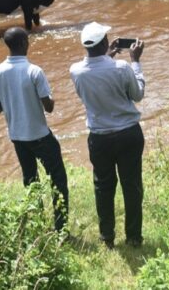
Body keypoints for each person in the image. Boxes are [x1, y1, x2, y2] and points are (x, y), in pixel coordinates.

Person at [70, 22, 146, 249]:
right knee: (131, 185)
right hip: (128, 134)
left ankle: (107, 237)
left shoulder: (76, 71)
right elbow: (138, 94)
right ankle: (133, 237)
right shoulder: (122, 67)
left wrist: (106, 56)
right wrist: (136, 63)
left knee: (103, 186)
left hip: (99, 137)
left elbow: (95, 79)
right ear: (104, 42)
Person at [0, 26, 69, 232]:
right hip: (40, 136)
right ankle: (61, 229)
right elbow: (49, 107)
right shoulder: (34, 71)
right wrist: (52, 98)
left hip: (17, 136)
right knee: (57, 179)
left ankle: (38, 225)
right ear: (25, 43)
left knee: (30, 180)